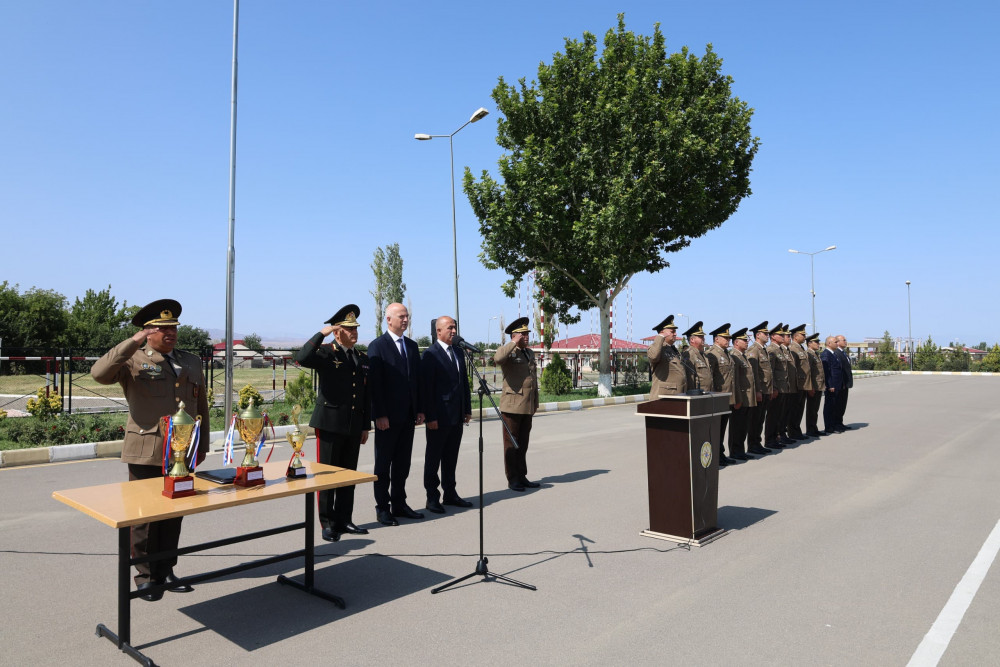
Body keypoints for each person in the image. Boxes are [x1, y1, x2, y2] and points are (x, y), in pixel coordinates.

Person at [91, 299, 209, 601]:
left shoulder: (191, 361)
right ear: (148, 331)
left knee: (174, 514)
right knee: (143, 517)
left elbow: (201, 407)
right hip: (146, 448)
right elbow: (99, 373)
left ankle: (166, 569)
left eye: (173, 329)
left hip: (182, 453)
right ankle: (144, 576)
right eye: (163, 329)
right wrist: (133, 342)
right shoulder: (132, 358)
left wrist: (202, 444)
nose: (171, 334)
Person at [294, 304, 371, 542]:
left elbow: (365, 394)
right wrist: (322, 333)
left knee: (348, 475)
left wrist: (365, 425)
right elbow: (301, 358)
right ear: (338, 332)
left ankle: (344, 519)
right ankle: (327, 523)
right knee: (327, 476)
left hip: (352, 425)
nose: (354, 333)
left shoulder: (360, 357)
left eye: (356, 328)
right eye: (349, 329)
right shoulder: (327, 352)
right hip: (329, 424)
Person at [367, 303, 424, 526]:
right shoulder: (377, 346)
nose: (406, 320)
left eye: (407, 316)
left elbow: (416, 381)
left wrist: (420, 409)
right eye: (401, 316)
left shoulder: (411, 346)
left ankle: (399, 503)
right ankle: (382, 507)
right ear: (388, 319)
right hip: (387, 418)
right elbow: (376, 385)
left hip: (408, 415)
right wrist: (379, 414)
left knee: (403, 464)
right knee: (383, 464)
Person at [420, 316, 473, 513]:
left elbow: (464, 384)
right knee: (433, 458)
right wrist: (430, 416)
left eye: (455, 327)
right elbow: (427, 389)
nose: (453, 331)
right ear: (438, 331)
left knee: (451, 457)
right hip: (438, 417)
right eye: (449, 328)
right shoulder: (430, 355)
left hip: (456, 415)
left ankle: (450, 493)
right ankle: (432, 497)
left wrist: (466, 409)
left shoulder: (459, 352)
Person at [494, 317, 539, 492]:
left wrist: (535, 402)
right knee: (511, 444)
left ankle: (522, 476)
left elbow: (533, 380)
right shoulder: (509, 352)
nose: (526, 337)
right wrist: (513, 342)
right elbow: (498, 358)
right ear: (514, 336)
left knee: (523, 443)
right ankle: (512, 479)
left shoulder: (529, 353)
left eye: (527, 334)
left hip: (527, 405)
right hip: (512, 406)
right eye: (522, 334)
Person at [706, 324, 739, 465]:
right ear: (716, 339)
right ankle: (716, 456)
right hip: (718, 397)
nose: (728, 340)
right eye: (725, 338)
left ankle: (721, 454)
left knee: (722, 428)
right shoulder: (712, 354)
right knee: (716, 429)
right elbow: (710, 377)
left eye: (729, 338)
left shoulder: (727, 353)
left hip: (727, 397)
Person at [745, 322, 775, 456]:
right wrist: (757, 390)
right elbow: (754, 373)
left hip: (766, 390)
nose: (768, 336)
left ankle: (757, 443)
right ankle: (753, 444)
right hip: (760, 391)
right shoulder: (754, 350)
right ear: (758, 335)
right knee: (755, 420)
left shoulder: (763, 350)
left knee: (760, 419)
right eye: (765, 333)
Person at [728, 328, 756, 460]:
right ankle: (735, 450)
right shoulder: (734, 356)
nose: (746, 342)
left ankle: (740, 450)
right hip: (740, 396)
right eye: (744, 340)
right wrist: (737, 398)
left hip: (747, 396)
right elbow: (736, 381)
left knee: (743, 425)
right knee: (737, 425)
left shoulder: (742, 356)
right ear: (736, 342)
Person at [765, 323, 793, 448]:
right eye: (780, 334)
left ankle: (777, 437)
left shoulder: (780, 349)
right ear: (773, 337)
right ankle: (770, 439)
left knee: (780, 415)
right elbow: (770, 370)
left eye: (783, 334)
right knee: (773, 415)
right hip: (777, 388)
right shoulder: (771, 350)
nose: (783, 336)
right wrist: (774, 387)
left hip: (783, 387)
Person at [646, 315, 687, 397]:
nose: (675, 334)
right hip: (664, 396)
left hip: (677, 394)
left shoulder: (673, 349)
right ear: (662, 333)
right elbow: (654, 356)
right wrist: (660, 337)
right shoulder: (656, 348)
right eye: (672, 331)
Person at [787, 324, 814, 439]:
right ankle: (793, 431)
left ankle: (796, 430)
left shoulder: (800, 348)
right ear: (796, 336)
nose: (804, 337)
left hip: (803, 384)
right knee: (794, 410)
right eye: (802, 335)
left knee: (799, 409)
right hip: (797, 385)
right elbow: (794, 369)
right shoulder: (793, 348)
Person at [681, 321, 713, 395]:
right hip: (697, 394)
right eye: (700, 337)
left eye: (703, 336)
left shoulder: (704, 355)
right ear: (692, 340)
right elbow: (689, 378)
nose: (703, 339)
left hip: (707, 393)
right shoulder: (688, 354)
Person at [821, 336, 845, 433]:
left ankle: (834, 425)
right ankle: (829, 427)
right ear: (829, 343)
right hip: (832, 386)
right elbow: (827, 372)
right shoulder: (826, 354)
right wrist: (830, 385)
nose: (837, 343)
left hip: (837, 384)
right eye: (835, 342)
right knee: (830, 407)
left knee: (835, 406)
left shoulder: (833, 354)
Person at [805, 333, 826, 437]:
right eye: (816, 342)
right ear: (809, 343)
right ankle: (810, 429)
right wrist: (810, 386)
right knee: (811, 409)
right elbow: (808, 372)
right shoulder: (808, 354)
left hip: (819, 385)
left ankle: (814, 427)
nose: (818, 344)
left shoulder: (816, 354)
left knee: (815, 409)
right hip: (813, 385)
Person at [835, 334, 855, 429]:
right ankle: (837, 424)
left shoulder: (843, 353)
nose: (846, 341)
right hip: (841, 384)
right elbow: (839, 370)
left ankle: (840, 422)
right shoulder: (837, 353)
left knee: (843, 404)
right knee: (838, 405)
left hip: (845, 383)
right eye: (844, 340)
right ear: (837, 342)